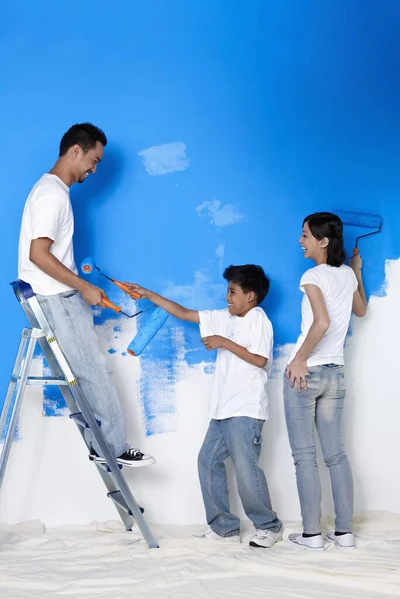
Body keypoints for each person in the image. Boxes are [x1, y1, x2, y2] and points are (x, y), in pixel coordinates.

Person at [18, 123, 154, 467]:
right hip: (58, 299)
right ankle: (112, 447)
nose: (94, 170)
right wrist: (83, 286)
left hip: (56, 296)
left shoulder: (50, 190)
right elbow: (39, 254)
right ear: (75, 151)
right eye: (93, 161)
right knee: (92, 371)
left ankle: (104, 443)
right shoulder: (53, 195)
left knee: (87, 372)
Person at [125, 265, 282, 547]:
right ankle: (224, 528)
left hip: (245, 409)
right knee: (207, 461)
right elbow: (184, 312)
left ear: (251, 296)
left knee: (247, 469)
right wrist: (148, 294)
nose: (227, 298)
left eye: (233, 292)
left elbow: (260, 360)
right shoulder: (224, 317)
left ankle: (268, 526)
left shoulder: (258, 319)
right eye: (227, 291)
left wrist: (224, 342)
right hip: (222, 410)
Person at [284, 212, 366, 550]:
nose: (300, 241)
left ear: (323, 241)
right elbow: (360, 310)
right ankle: (344, 533)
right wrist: (358, 272)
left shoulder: (313, 275)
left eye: (305, 235)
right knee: (336, 456)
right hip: (335, 374)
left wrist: (299, 358)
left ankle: (312, 536)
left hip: (308, 373)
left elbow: (321, 322)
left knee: (305, 457)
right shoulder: (347, 274)